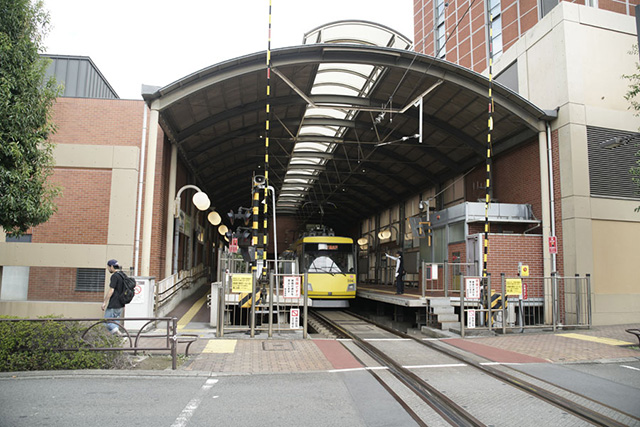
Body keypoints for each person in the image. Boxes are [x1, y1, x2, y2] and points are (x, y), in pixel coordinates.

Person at [102, 259, 124, 334]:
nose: (108, 269)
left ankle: (120, 334)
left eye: (108, 267)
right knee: (115, 323)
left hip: (114, 303)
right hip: (121, 304)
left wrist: (104, 302)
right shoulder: (123, 275)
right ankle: (118, 340)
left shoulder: (115, 276)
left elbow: (111, 290)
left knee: (106, 322)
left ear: (111, 266)